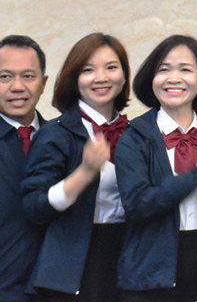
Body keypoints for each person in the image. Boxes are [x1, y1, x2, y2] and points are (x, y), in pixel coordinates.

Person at [114, 35, 197, 302]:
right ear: (151, 80)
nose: (173, 78)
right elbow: (138, 205)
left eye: (185, 70)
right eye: (163, 69)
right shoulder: (134, 136)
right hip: (149, 276)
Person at [21, 33, 131, 301]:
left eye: (111, 67)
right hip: (73, 264)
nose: (101, 77)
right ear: (74, 79)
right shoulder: (56, 134)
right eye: (88, 70)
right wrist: (83, 174)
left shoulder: (135, 133)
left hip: (128, 256)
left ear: (125, 76)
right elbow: (34, 207)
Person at [0, 35, 48, 302]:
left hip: (56, 292)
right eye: (5, 77)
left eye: (28, 76)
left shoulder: (66, 140)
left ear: (44, 84)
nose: (17, 87)